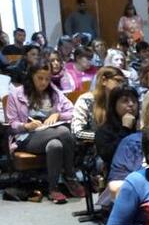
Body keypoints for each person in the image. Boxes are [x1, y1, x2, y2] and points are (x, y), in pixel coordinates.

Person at [5, 62, 84, 203]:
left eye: (47, 79)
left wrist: (58, 115)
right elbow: (12, 125)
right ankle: (70, 176)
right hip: (26, 137)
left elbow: (72, 111)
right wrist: (26, 125)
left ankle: (53, 188)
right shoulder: (16, 94)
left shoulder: (53, 92)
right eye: (40, 78)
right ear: (31, 77)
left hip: (51, 133)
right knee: (64, 133)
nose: (44, 83)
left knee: (55, 145)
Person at [71, 66, 125, 140]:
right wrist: (103, 138)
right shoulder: (86, 100)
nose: (121, 85)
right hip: (88, 146)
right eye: (117, 81)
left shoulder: (119, 102)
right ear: (104, 81)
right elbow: (77, 132)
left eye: (122, 82)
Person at [94, 83, 139, 171]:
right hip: (118, 173)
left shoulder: (143, 126)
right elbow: (109, 155)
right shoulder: (104, 130)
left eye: (134, 101)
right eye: (125, 101)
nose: (131, 104)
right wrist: (125, 129)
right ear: (114, 105)